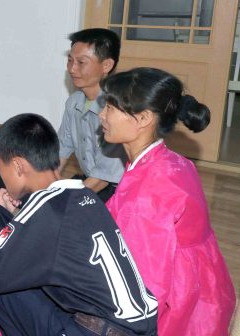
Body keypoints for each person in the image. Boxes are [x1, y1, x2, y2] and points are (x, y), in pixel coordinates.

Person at [0, 113, 158, 336]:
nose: (1, 177)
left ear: (19, 167)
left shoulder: (45, 209)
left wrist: (0, 215)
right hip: (141, 328)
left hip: (93, 331)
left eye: (0, 168)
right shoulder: (86, 196)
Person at [99, 67, 235, 335]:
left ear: (143, 118)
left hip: (180, 305)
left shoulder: (147, 195)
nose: (102, 115)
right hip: (205, 289)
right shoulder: (171, 161)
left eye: (111, 107)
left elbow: (145, 288)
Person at [56, 28, 127, 202]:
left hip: (117, 190)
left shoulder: (118, 110)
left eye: (81, 62)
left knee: (65, 213)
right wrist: (45, 186)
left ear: (106, 66)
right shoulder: (74, 102)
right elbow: (62, 150)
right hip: (91, 180)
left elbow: (103, 178)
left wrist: (64, 202)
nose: (72, 69)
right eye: (70, 60)